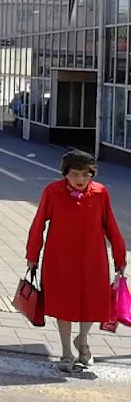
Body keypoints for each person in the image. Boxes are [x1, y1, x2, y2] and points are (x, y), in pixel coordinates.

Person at [27, 150, 126, 373]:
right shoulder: (53, 192)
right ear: (65, 174)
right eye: (74, 174)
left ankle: (82, 341)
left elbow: (111, 226)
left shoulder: (100, 193)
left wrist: (119, 257)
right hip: (60, 259)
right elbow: (39, 223)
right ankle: (66, 352)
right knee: (63, 304)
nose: (80, 179)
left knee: (92, 302)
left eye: (85, 174)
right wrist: (32, 255)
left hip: (93, 260)